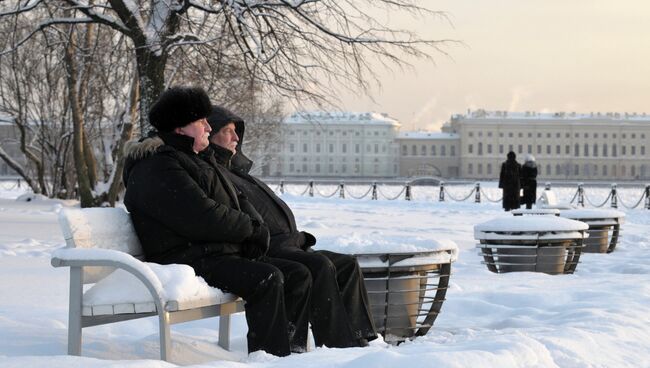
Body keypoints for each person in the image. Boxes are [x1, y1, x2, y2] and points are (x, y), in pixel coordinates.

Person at [122, 86, 311, 357]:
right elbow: (202, 216)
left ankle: (294, 354)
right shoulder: (156, 167)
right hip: (184, 259)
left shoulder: (196, 158)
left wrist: (257, 228)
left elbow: (238, 200)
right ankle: (270, 358)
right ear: (180, 128)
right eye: (201, 121)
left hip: (214, 253)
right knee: (267, 278)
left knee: (298, 274)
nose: (209, 127)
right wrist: (251, 231)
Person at [203, 106, 378, 349]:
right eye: (227, 131)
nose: (235, 138)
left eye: (236, 132)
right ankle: (336, 346)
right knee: (319, 266)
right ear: (209, 135)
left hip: (287, 244)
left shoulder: (236, 171)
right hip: (266, 249)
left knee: (347, 264)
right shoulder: (216, 173)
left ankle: (359, 337)